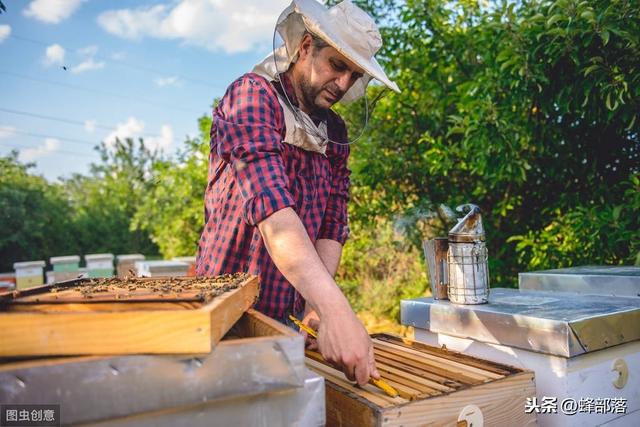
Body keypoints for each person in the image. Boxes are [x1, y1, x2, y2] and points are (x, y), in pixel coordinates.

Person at [195, 0, 400, 386]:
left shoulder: (335, 133)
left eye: (354, 75)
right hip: (223, 317)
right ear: (305, 47)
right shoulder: (251, 98)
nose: (342, 84)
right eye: (337, 65)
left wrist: (315, 309)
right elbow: (273, 213)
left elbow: (332, 226)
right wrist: (337, 309)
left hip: (289, 328)